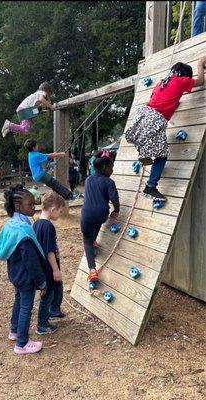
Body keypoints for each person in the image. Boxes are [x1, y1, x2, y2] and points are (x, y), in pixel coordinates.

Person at [125, 57, 206, 200]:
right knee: (162, 155)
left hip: (144, 114)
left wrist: (173, 104)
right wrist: (200, 64)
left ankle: (145, 156)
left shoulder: (162, 83)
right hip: (156, 119)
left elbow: (157, 99)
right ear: (185, 75)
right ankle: (150, 187)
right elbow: (200, 81)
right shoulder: (181, 81)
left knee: (144, 141)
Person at [0, 185, 50, 355]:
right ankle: (22, 343)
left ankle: (14, 330)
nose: (34, 208)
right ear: (18, 206)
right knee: (26, 306)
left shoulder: (11, 224)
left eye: (34, 204)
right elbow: (31, 261)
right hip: (26, 277)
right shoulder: (23, 231)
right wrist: (41, 281)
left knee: (19, 301)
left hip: (15, 274)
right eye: (30, 205)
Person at [81, 154, 120, 283]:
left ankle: (92, 270)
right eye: (111, 167)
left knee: (86, 240)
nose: (112, 170)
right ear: (104, 167)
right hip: (102, 215)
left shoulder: (88, 180)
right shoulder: (109, 182)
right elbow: (114, 198)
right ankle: (94, 241)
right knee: (97, 222)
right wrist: (116, 210)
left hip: (86, 214)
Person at [33, 193, 66, 335]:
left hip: (44, 267)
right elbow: (49, 251)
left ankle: (54, 310)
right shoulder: (47, 227)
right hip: (48, 268)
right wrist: (55, 269)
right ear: (52, 209)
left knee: (57, 289)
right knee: (47, 295)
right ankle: (42, 324)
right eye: (60, 211)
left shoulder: (37, 223)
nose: (60, 214)